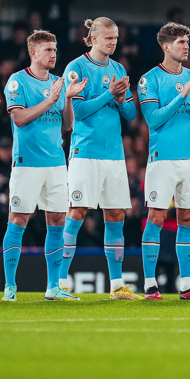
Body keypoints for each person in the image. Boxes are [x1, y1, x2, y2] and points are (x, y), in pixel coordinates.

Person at [58, 18, 142, 300]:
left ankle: (117, 285)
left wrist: (120, 100)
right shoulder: (76, 68)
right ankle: (60, 282)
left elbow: (130, 115)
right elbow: (78, 112)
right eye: (108, 38)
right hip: (86, 152)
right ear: (92, 39)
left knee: (116, 215)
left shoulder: (118, 68)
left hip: (114, 155)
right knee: (77, 211)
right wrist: (109, 94)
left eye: (115, 37)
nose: (113, 42)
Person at [2, 30, 86, 302]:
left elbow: (68, 125)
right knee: (18, 221)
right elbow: (19, 119)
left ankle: (53, 287)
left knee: (58, 221)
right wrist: (50, 100)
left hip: (55, 163)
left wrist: (68, 98)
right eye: (48, 50)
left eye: (55, 49)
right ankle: (10, 287)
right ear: (34, 53)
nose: (54, 54)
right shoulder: (18, 82)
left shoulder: (58, 83)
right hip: (27, 164)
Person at [137, 22, 190, 300]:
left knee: (188, 217)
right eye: (181, 42)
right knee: (156, 216)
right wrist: (182, 96)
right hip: (162, 159)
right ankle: (149, 283)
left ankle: (187, 284)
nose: (186, 47)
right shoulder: (150, 79)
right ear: (166, 46)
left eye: (188, 42)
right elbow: (154, 119)